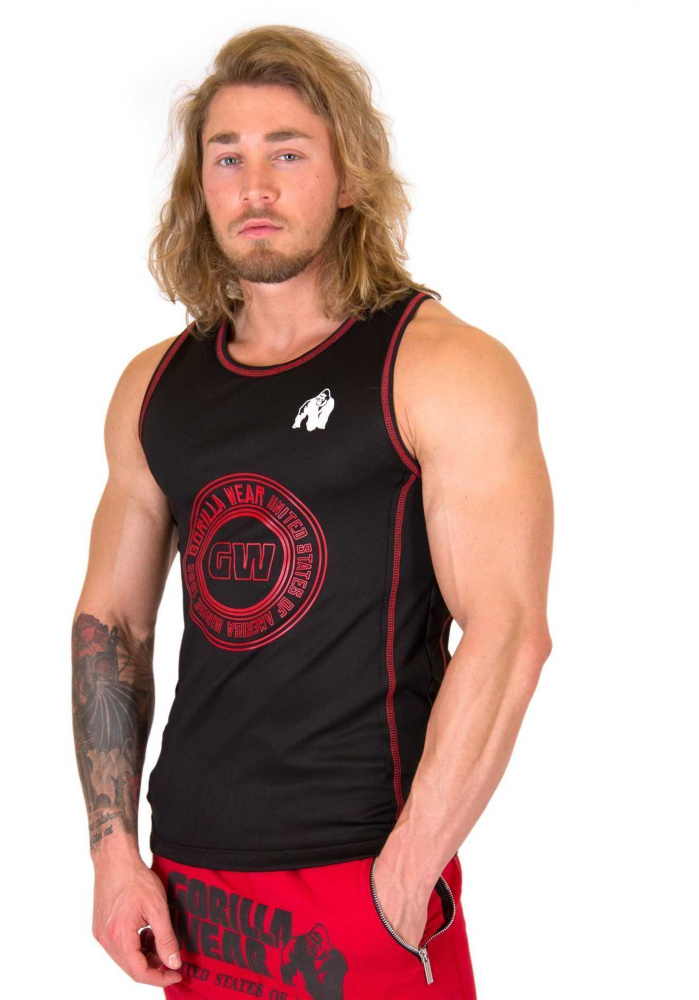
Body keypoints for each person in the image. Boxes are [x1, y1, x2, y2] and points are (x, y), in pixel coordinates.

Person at [72, 24, 553, 1000]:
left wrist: (407, 873)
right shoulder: (155, 388)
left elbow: (508, 632)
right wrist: (115, 855)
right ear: (199, 186)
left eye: (287, 153)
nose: (254, 185)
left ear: (348, 179)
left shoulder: (442, 367)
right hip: (192, 886)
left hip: (359, 874)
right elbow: (110, 622)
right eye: (227, 157)